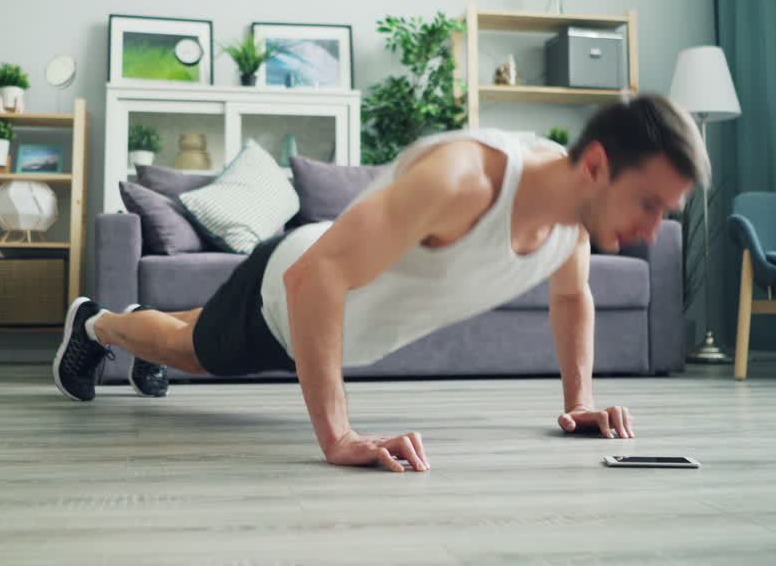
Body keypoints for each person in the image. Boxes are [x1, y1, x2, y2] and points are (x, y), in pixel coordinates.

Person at [54, 95, 709, 472]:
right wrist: (338, 438)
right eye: (649, 204)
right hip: (297, 294)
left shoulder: (569, 219)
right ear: (597, 164)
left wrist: (579, 401)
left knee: (191, 330)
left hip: (317, 296)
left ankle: (126, 326)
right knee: (186, 349)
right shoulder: (466, 180)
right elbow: (320, 275)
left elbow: (572, 297)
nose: (653, 230)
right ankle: (96, 324)